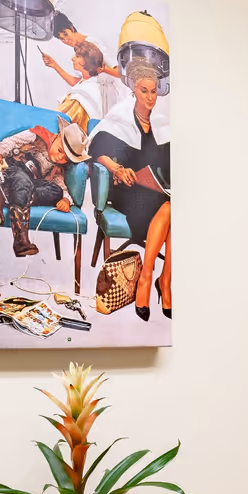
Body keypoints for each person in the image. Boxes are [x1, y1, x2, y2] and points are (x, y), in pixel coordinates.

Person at [89, 66, 171, 319]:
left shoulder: (161, 124)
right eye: (143, 91)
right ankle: (153, 280)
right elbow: (97, 150)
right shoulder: (121, 119)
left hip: (157, 190)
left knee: (174, 206)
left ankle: (160, 280)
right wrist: (117, 168)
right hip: (127, 189)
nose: (149, 97)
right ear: (134, 91)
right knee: (170, 209)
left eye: (153, 92)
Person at [0, 126, 75, 257]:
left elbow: (60, 185)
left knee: (56, 191)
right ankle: (21, 242)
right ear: (56, 137)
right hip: (12, 169)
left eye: (65, 158)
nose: (59, 157)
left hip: (31, 182)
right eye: (60, 150)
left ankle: (3, 194)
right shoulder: (37, 135)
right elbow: (10, 142)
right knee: (23, 182)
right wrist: (0, 153)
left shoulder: (56, 167)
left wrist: (66, 199)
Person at [40, 13, 118, 85]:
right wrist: (54, 65)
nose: (66, 40)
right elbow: (79, 83)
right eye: (62, 39)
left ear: (72, 28)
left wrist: (104, 70)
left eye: (66, 34)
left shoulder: (94, 43)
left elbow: (118, 72)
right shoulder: (75, 56)